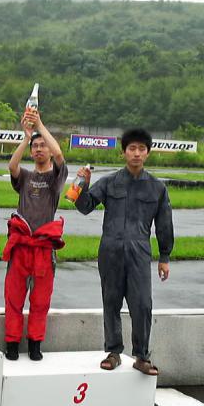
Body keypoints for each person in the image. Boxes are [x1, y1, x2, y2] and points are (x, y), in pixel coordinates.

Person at [74, 128, 174, 376]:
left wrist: (164, 257)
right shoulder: (109, 182)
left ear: (148, 153)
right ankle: (113, 352)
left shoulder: (157, 188)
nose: (136, 153)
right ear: (123, 153)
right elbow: (85, 207)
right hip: (110, 251)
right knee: (111, 301)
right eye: (132, 148)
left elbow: (164, 224)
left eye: (141, 149)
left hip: (139, 252)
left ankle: (141, 356)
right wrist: (81, 184)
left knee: (142, 304)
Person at [3, 109, 67, 361]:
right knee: (14, 297)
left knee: (40, 300)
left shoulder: (56, 179)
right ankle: (11, 342)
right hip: (20, 247)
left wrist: (39, 124)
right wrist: (26, 136)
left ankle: (35, 344)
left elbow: (60, 155)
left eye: (43, 146)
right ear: (31, 151)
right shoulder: (26, 177)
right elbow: (12, 166)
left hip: (43, 249)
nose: (39, 149)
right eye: (36, 146)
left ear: (49, 150)